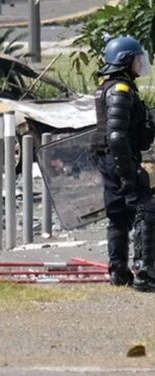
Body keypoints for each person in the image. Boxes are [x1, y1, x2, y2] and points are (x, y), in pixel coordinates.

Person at [92, 36, 155, 292]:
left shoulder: (108, 86)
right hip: (119, 159)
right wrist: (129, 173)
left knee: (119, 214)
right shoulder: (120, 90)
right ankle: (145, 272)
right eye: (137, 59)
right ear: (125, 60)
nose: (140, 64)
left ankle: (119, 271)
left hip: (109, 159)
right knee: (146, 209)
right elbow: (117, 136)